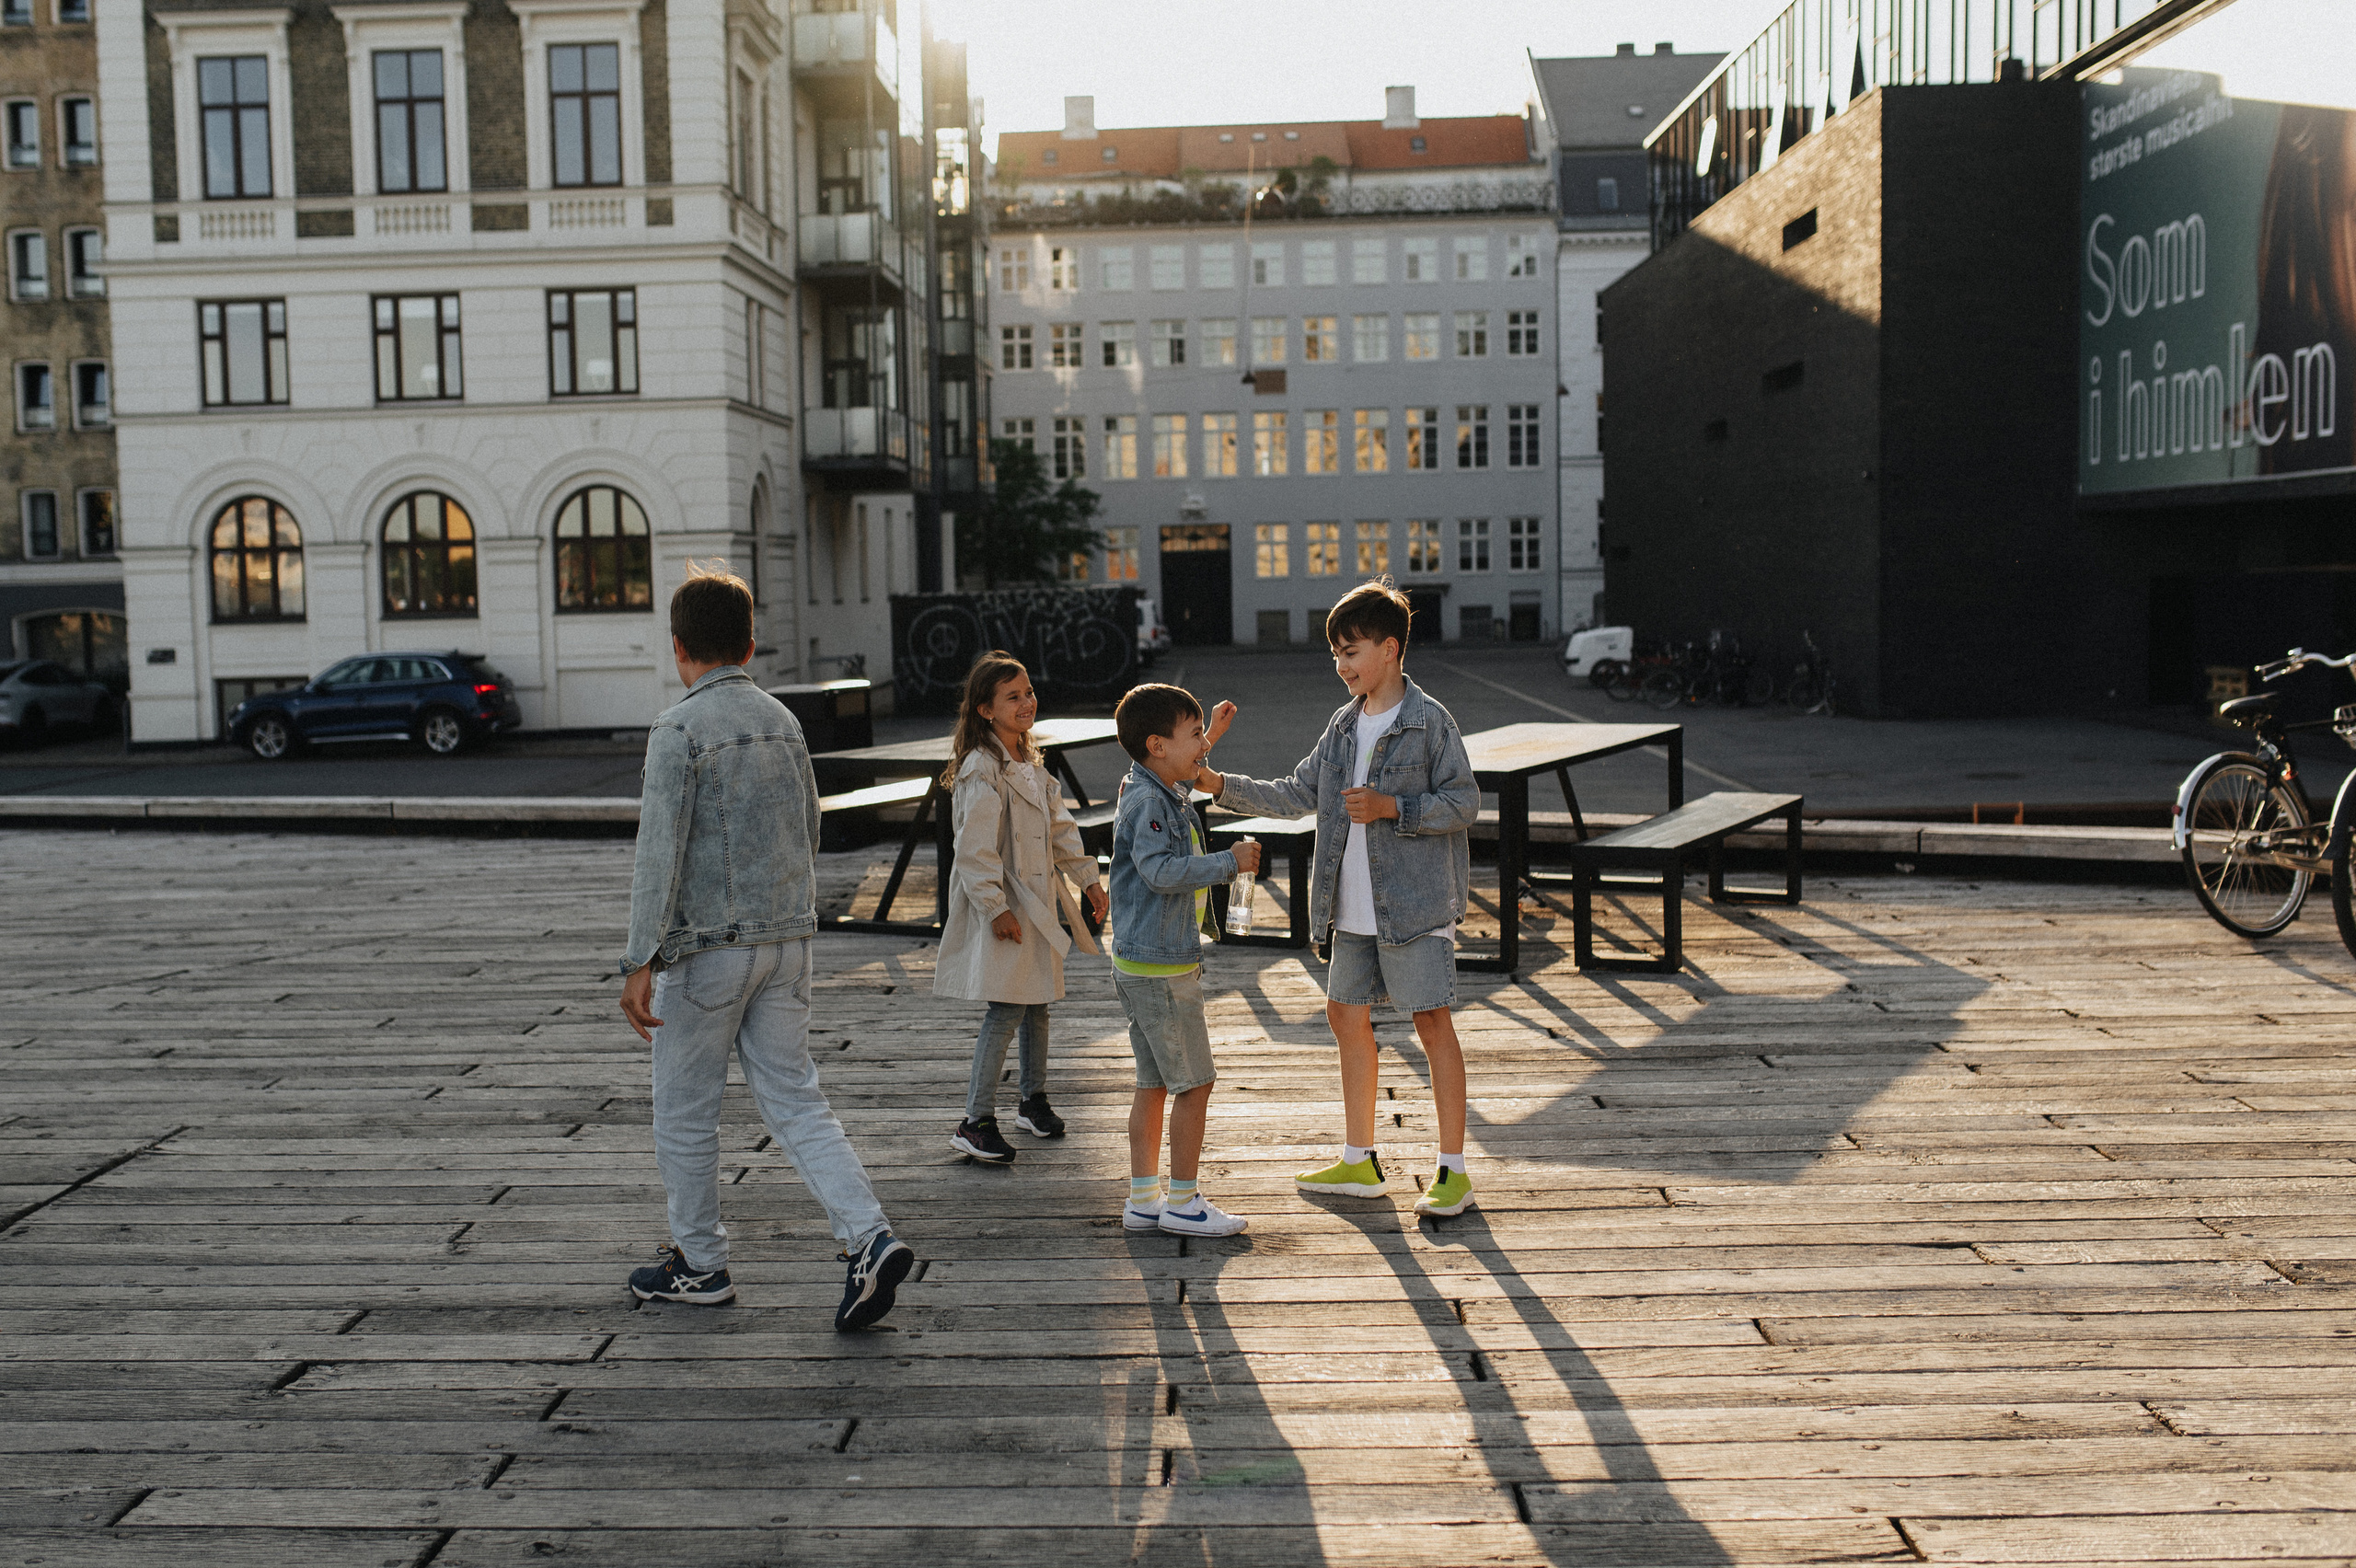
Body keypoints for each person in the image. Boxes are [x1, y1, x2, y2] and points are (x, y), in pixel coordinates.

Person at [615, 562, 913, 1329]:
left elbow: (659, 855)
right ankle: (868, 1237)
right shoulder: (785, 721)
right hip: (788, 941)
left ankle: (701, 1265)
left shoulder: (677, 730)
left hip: (707, 950)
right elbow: (809, 830)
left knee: (685, 1111)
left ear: (679, 648)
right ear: (751, 645)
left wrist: (640, 958)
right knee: (797, 1099)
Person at [1191, 578, 1482, 1217]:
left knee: (1431, 1023)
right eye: (1336, 654)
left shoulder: (1430, 722)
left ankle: (1453, 1170)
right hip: (1347, 907)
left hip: (1413, 906)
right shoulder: (1343, 726)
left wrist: (1392, 808)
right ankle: (1360, 1159)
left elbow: (1464, 803)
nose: (1342, 664)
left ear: (1390, 649)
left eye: (1352, 651)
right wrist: (1216, 783)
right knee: (1344, 1016)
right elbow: (1297, 793)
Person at [934, 651, 1108, 1163]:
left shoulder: (1030, 766)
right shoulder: (981, 768)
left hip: (1038, 902)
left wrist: (1089, 881)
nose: (1027, 702)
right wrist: (995, 908)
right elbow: (974, 849)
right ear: (985, 710)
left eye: (1029, 692)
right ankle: (974, 1119)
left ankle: (1032, 1099)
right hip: (1008, 908)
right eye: (1013, 696)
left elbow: (1060, 829)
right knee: (1007, 1007)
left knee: (1038, 1003)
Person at [1107, 683, 1259, 1238]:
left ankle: (1144, 1198)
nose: (1200, 748)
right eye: (1192, 736)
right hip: (1164, 969)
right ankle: (1184, 1201)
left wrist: (1209, 735)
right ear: (1156, 745)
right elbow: (1160, 871)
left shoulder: (1149, 781)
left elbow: (1183, 769)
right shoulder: (1151, 802)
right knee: (1195, 1085)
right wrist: (1227, 862)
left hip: (1142, 964)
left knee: (1153, 1082)